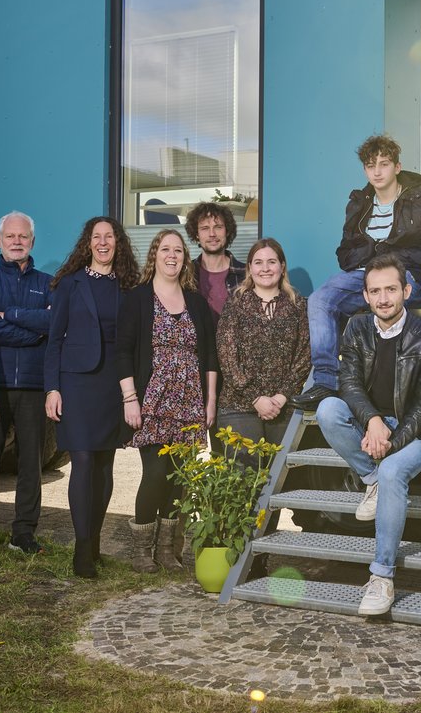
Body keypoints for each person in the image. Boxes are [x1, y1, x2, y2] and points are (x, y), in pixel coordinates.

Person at [314, 254, 421, 616]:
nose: (384, 298)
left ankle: (382, 576)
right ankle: (371, 478)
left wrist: (390, 440)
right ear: (366, 295)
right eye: (376, 291)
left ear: (406, 290)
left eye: (391, 289)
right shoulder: (356, 328)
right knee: (327, 410)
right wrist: (373, 420)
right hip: (375, 422)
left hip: (419, 431)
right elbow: (349, 384)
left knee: (392, 472)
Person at [291, 134, 421, 410]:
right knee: (320, 298)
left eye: (384, 164)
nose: (377, 171)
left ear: (397, 167)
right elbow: (344, 254)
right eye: (370, 166)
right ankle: (326, 381)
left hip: (406, 275)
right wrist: (373, 253)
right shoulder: (359, 204)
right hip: (366, 277)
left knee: (383, 297)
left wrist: (395, 258)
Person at [116, 229, 218, 573]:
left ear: (184, 258)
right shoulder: (137, 298)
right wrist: (130, 399)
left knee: (178, 479)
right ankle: (141, 550)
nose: (171, 255)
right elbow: (123, 351)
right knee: (155, 473)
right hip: (153, 400)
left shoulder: (196, 302)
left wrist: (211, 401)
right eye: (165, 249)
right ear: (155, 255)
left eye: (178, 250)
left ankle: (165, 550)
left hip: (189, 400)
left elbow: (210, 357)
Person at [44, 216, 140, 578]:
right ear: (88, 243)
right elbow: (54, 340)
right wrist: (52, 388)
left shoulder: (130, 287)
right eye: (96, 237)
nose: (103, 243)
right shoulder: (71, 284)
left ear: (118, 243)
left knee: (104, 466)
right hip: (76, 384)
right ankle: (82, 549)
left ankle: (95, 541)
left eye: (109, 237)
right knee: (82, 462)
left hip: (113, 384)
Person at [0, 211, 53, 558]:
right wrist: (33, 333)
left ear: (32, 241)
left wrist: (15, 316)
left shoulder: (49, 282)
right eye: (10, 237)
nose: (17, 242)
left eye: (23, 237)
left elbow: (53, 322)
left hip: (34, 385)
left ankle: (23, 533)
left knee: (30, 463)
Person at [215, 237, 310, 447]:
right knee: (245, 475)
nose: (265, 268)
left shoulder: (298, 305)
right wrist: (256, 398)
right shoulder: (235, 304)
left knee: (285, 477)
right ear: (250, 268)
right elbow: (227, 358)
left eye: (272, 262)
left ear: (282, 266)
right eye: (258, 262)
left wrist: (282, 396)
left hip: (283, 406)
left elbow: (304, 356)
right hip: (238, 407)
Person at [184, 201, 246, 325]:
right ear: (196, 235)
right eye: (205, 228)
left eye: (218, 227)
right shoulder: (185, 274)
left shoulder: (246, 274)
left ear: (227, 231)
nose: (212, 234)